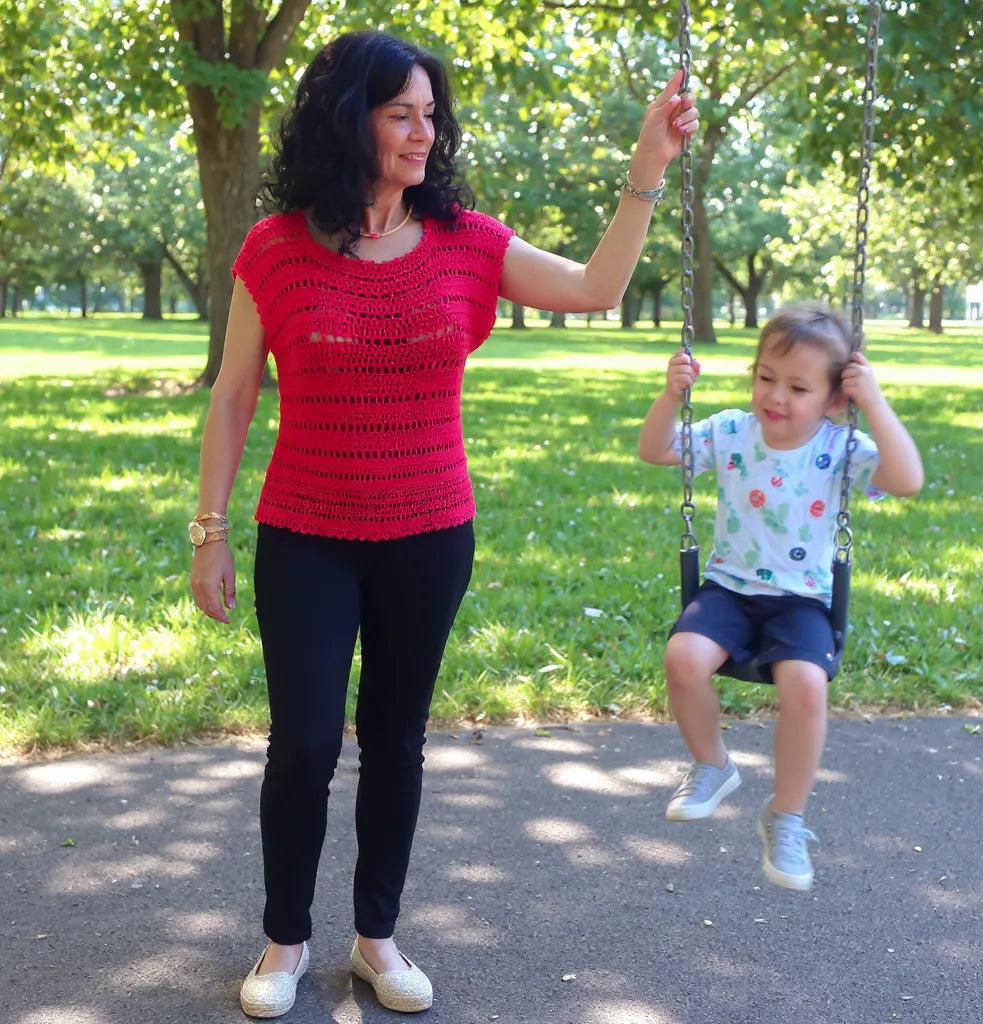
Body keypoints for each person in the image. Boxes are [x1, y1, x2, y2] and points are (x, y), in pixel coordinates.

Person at [188, 28, 699, 1019]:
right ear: (350, 122)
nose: (424, 133)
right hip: (306, 534)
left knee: (396, 738)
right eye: (401, 114)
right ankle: (285, 939)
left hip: (428, 534)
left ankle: (376, 938)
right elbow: (235, 393)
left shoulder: (469, 240)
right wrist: (210, 531)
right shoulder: (276, 247)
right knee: (304, 741)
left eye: (431, 115)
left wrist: (648, 165)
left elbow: (596, 289)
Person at [637, 302, 923, 892]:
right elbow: (656, 450)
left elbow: (907, 480)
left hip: (802, 600)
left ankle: (786, 816)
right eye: (766, 377)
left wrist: (874, 402)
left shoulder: (840, 448)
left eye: (798, 387)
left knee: (806, 687)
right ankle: (713, 764)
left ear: (834, 398)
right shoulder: (730, 432)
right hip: (729, 589)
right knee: (683, 658)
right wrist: (670, 395)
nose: (776, 396)